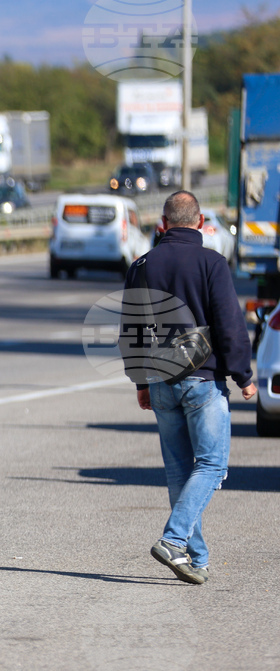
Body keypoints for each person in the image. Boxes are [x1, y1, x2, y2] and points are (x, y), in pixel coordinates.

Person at [122, 191, 256, 584]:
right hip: (203, 381)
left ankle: (194, 559)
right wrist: (244, 376)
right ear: (200, 223)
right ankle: (173, 538)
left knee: (180, 471)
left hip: (162, 380)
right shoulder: (212, 262)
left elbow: (130, 332)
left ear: (162, 224)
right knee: (212, 465)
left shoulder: (142, 265)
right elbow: (229, 323)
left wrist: (141, 382)